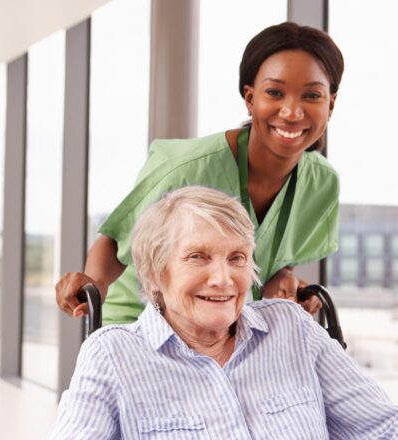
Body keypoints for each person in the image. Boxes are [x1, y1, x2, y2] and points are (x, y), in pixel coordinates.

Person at [48, 187, 398, 439]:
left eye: (237, 258)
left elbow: (389, 430)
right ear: (156, 274)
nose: (223, 279)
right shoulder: (113, 355)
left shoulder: (290, 328)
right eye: (198, 257)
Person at [57, 21, 343, 324]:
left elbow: (272, 258)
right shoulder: (186, 168)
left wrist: (284, 278)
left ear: (330, 104)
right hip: (142, 327)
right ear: (250, 98)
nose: (292, 112)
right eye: (274, 92)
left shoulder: (322, 184)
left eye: (312, 96)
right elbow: (116, 242)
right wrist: (94, 284)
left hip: (227, 334)